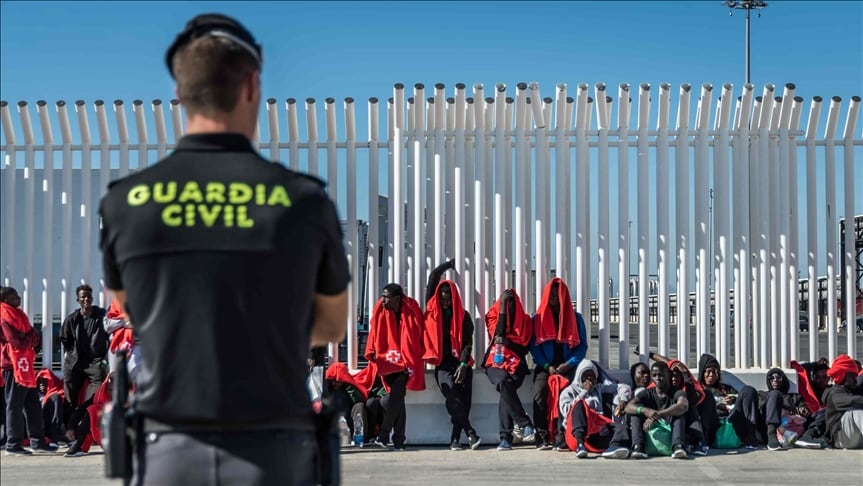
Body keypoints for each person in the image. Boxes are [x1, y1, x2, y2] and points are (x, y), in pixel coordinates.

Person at [98, 13, 350, 485]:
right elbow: (331, 324)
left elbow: (135, 310)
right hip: (275, 448)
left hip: (165, 450)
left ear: (180, 93)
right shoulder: (303, 200)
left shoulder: (125, 203)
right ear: (252, 84)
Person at [422, 259, 480, 451]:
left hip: (461, 363)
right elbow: (433, 278)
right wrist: (448, 265)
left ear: (454, 297)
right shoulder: (432, 311)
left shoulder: (464, 316)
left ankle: (455, 440)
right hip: (443, 364)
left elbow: (467, 344)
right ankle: (471, 432)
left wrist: (463, 365)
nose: (445, 300)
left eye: (448, 296)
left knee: (463, 402)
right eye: (442, 296)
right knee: (452, 398)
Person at [364, 283, 425, 450]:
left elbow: (418, 330)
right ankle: (399, 441)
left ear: (397, 299)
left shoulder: (410, 310)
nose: (382, 300)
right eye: (382, 296)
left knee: (396, 395)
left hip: (404, 361)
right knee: (398, 400)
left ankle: (384, 435)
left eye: (387, 297)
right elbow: (374, 330)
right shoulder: (381, 310)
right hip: (387, 359)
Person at [529, 278, 588, 450]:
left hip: (568, 366)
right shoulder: (537, 319)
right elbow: (534, 347)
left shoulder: (576, 319)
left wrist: (569, 364)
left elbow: (581, 346)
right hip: (546, 366)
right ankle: (541, 436)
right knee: (539, 394)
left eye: (557, 295)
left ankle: (562, 435)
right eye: (551, 295)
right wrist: (548, 367)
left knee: (567, 395)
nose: (554, 298)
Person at [1, 286, 53, 455]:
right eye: (15, 296)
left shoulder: (20, 315)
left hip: (25, 365)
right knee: (14, 405)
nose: (19, 298)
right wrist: (27, 338)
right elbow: (16, 341)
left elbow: (35, 336)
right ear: (6, 300)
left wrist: (28, 338)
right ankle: (13, 443)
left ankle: (38, 441)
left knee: (33, 404)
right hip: (12, 365)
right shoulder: (3, 316)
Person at [483, 289, 535, 450]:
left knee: (506, 389)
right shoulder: (493, 316)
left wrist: (508, 343)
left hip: (516, 364)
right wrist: (502, 310)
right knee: (503, 381)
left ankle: (505, 438)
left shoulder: (525, 321)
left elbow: (524, 349)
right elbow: (498, 333)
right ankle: (524, 423)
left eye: (512, 305)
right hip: (495, 362)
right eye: (506, 305)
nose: (509, 309)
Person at [558, 359, 631, 458]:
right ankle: (580, 446)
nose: (588, 379)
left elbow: (624, 387)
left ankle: (613, 448)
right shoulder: (569, 391)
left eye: (591, 375)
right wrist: (584, 392)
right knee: (578, 405)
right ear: (579, 375)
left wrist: (622, 401)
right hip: (576, 434)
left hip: (597, 431)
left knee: (622, 428)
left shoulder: (598, 388)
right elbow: (567, 411)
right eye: (585, 375)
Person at [59, 284, 108, 424]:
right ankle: (67, 428)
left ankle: (89, 427)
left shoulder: (101, 315)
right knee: (70, 398)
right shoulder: (71, 319)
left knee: (98, 395)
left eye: (89, 296)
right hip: (75, 362)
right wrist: (72, 353)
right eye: (83, 297)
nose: (87, 299)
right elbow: (64, 338)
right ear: (78, 300)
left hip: (95, 362)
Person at [622, 361, 689, 459]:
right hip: (650, 430)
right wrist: (645, 411)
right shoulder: (647, 393)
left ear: (668, 375)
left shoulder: (677, 392)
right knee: (636, 412)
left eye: (661, 375)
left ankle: (678, 447)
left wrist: (658, 414)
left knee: (679, 413)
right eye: (654, 375)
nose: (657, 378)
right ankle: (638, 447)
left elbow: (683, 405)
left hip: (669, 429)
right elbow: (628, 407)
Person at [697, 353, 760, 448]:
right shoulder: (698, 390)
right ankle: (703, 442)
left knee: (748, 390)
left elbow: (740, 401)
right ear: (702, 373)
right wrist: (718, 404)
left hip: (732, 422)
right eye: (708, 372)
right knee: (708, 396)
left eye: (715, 372)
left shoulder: (726, 389)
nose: (711, 375)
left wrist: (733, 400)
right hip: (714, 425)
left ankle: (751, 438)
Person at [759, 368, 810, 450]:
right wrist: (789, 408)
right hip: (768, 432)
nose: (775, 380)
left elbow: (806, 412)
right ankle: (772, 435)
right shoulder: (764, 395)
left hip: (791, 430)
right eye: (772, 378)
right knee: (774, 394)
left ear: (783, 380)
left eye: (778, 377)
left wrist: (802, 410)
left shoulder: (795, 397)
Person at [822, 354, 863, 449]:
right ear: (843, 376)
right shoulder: (834, 393)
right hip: (840, 439)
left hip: (856, 437)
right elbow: (853, 401)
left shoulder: (852, 389)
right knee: (856, 412)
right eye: (852, 376)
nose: (856, 380)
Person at [36, 369, 66, 445]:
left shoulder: (56, 393)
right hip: (37, 425)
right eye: (39, 382)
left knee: (55, 397)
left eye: (44, 381)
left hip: (50, 423)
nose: (41, 384)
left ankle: (56, 434)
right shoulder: (34, 394)